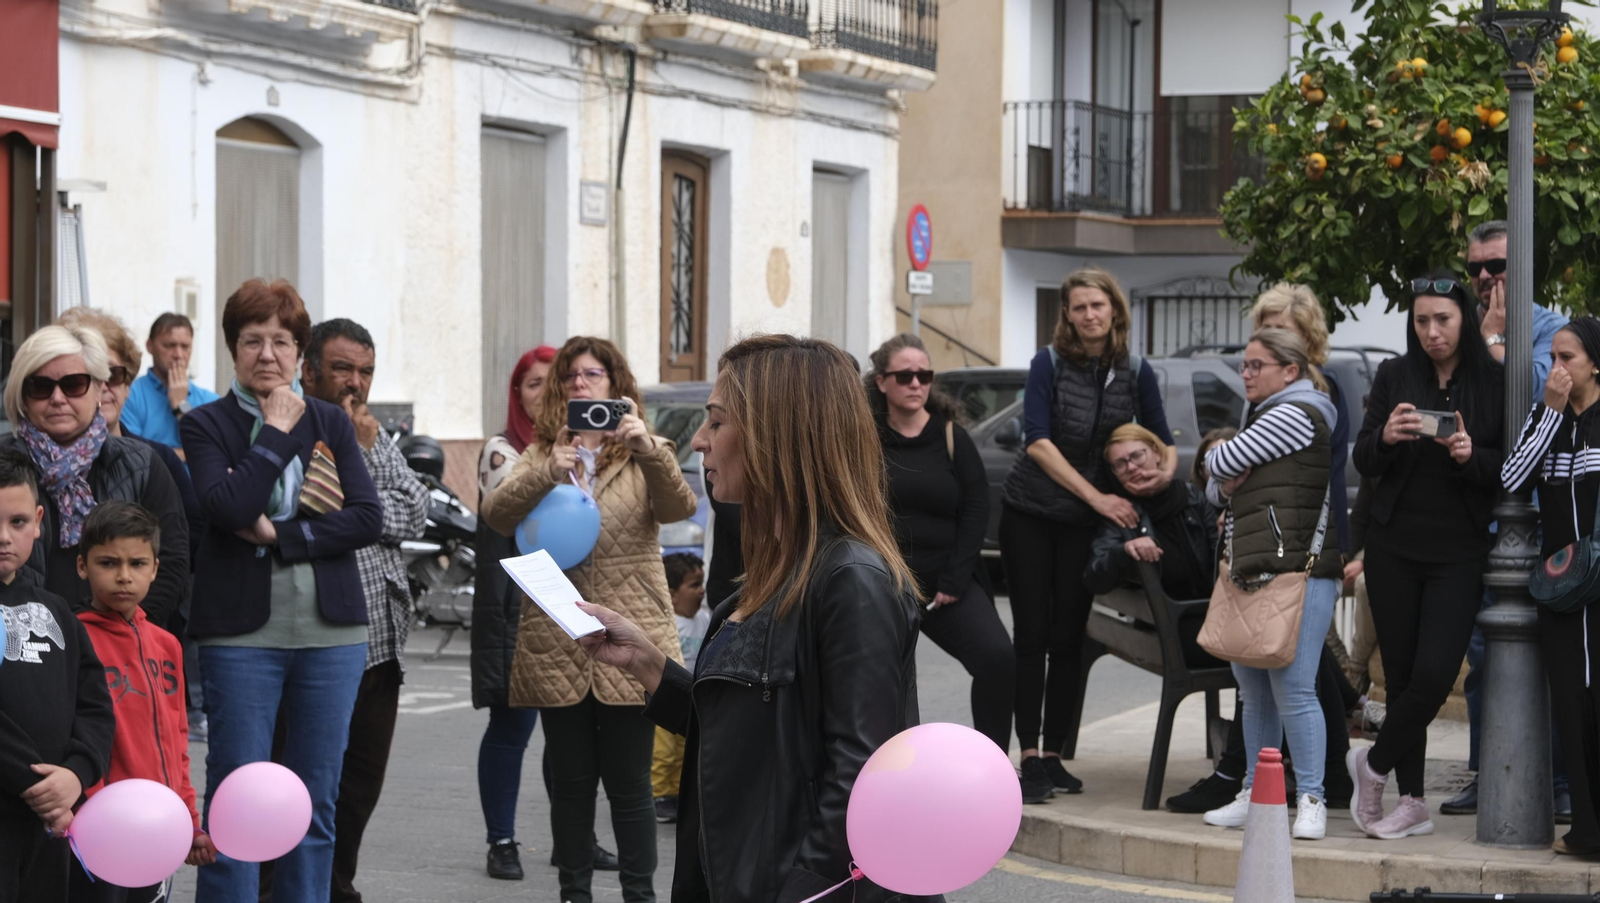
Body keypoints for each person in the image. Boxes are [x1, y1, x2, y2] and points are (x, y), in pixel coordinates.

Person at [573, 334, 936, 903]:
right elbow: (754, 734)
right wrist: (648, 664)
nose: (698, 441)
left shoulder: (852, 580)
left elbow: (860, 781)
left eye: (716, 423)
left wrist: (801, 892)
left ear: (777, 437)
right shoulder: (776, 568)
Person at [179, 278, 382, 902]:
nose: (267, 354)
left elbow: (367, 518)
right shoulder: (205, 424)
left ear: (300, 352)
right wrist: (273, 431)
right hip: (241, 637)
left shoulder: (332, 421)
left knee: (316, 803)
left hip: (333, 635)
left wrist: (280, 536)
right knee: (238, 798)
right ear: (232, 349)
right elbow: (228, 504)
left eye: (281, 341)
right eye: (251, 340)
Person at [479, 336, 696, 903]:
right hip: (560, 638)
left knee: (630, 787)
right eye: (571, 377)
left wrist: (645, 446)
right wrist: (546, 473)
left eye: (592, 374)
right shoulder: (543, 453)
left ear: (616, 385)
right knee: (571, 787)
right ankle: (574, 893)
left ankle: (640, 895)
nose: (580, 384)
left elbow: (679, 508)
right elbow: (497, 515)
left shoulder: (650, 447)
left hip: (632, 632)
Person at [999, 267, 1177, 803]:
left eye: (1097, 305)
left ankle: (1054, 755)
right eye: (1078, 308)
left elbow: (1164, 442)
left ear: (1114, 310)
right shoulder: (1047, 364)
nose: (1089, 315)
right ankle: (1027, 755)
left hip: (1083, 526)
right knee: (1031, 637)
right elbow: (1038, 442)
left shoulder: (1135, 369)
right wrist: (1098, 497)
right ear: (1068, 316)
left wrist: (1163, 477)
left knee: (1069, 637)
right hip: (1030, 513)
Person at [1347, 272, 1505, 840]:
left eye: (1443, 319)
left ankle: (1372, 764)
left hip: (1458, 551)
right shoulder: (1395, 375)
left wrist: (1467, 454)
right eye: (1422, 321)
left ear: (1464, 317)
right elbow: (1365, 461)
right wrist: (1386, 437)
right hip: (1394, 549)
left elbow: (1507, 470)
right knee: (1405, 674)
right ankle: (1410, 802)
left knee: (1436, 675)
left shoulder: (1494, 382)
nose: (1433, 331)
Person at [299, 319, 429, 901]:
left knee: (357, 792)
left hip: (381, 648)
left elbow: (413, 512)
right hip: (317, 642)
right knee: (306, 789)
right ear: (310, 371)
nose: (356, 384)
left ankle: (336, 886)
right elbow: (328, 517)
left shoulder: (372, 437)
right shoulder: (295, 429)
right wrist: (364, 513)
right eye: (343, 369)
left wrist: (368, 456)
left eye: (366, 372)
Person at [1450, 219, 1573, 819]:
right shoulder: (1463, 330)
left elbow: (1532, 408)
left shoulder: (1552, 331)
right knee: (1482, 656)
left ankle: (1558, 781)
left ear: (1521, 269)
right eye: (1476, 268)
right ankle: (1486, 769)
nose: (1484, 279)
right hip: (1481, 520)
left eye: (1496, 267)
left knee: (1549, 657)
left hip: (1540, 521)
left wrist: (1495, 344)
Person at [1198, 328, 1342, 841]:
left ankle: (1311, 799)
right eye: (1244, 365)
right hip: (1252, 568)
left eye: (1257, 365)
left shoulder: (1299, 412)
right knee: (1254, 694)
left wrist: (1223, 465)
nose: (1246, 374)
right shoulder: (1262, 416)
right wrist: (1221, 472)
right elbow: (1215, 489)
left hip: (1299, 571)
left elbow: (1219, 463)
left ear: (1291, 371)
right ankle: (1255, 797)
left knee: (1294, 691)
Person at [55, 306, 209, 740]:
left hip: (138, 645)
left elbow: (181, 549)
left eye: (115, 374)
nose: (102, 387)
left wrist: (127, 625)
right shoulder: (31, 460)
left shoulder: (152, 461)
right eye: (82, 374)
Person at [868, 332, 1016, 759]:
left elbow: (975, 509)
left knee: (997, 660)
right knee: (882, 681)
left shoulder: (951, 436)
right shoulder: (868, 439)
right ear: (882, 382)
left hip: (949, 585)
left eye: (925, 375)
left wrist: (956, 576)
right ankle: (886, 773)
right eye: (905, 375)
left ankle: (993, 768)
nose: (916, 383)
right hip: (888, 585)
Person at [71, 501, 216, 902]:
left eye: (137, 563)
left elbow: (177, 741)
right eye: (108, 563)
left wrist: (188, 821)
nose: (123, 576)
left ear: (155, 568)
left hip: (158, 826)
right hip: (99, 827)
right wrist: (87, 814)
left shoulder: (168, 645)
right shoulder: (74, 640)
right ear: (83, 566)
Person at [0, 326, 190, 629]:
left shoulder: (141, 465)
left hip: (119, 650)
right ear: (23, 396)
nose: (58, 398)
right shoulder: (4, 462)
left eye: (74, 384)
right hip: (19, 649)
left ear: (100, 388)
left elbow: (171, 562)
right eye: (40, 386)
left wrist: (120, 634)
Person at [1501, 316, 1600, 856]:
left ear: (1596, 363)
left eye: (1569, 358)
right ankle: (1586, 831)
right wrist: (1551, 411)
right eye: (1554, 358)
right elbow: (1514, 478)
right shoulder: (1549, 417)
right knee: (1570, 701)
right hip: (1562, 588)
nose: (1557, 368)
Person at [0, 446, 115, 903]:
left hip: (49, 819)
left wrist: (76, 774)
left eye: (18, 522)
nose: (4, 537)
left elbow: (94, 706)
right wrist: (34, 784)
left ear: (40, 521)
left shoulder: (57, 611)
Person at [1084, 423, 1219, 606]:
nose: (1131, 467)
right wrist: (1124, 551)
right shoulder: (1120, 512)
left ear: (1156, 453)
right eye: (1120, 464)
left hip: (1209, 605)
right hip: (1160, 621)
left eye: (1137, 456)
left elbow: (1217, 553)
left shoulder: (1191, 496)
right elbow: (1095, 579)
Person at [651, 551, 708, 825]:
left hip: (693, 695)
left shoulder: (705, 620)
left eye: (702, 583)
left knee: (686, 748)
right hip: (668, 694)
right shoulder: (668, 625)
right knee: (665, 750)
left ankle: (675, 792)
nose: (702, 590)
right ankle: (660, 794)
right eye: (694, 585)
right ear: (671, 593)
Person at [121, 313, 220, 456]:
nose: (178, 354)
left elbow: (217, 452)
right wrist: (189, 454)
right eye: (170, 345)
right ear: (150, 346)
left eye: (185, 346)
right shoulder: (130, 395)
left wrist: (181, 405)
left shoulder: (210, 400)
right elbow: (133, 455)